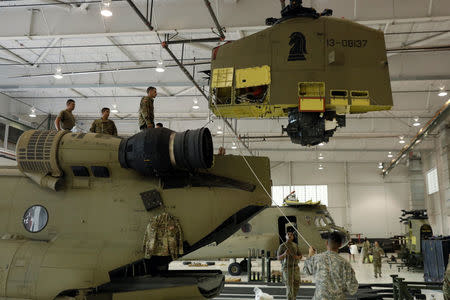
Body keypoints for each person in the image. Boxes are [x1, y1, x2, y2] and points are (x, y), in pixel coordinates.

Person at [304, 232, 358, 300]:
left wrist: (310, 255)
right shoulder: (345, 263)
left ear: (326, 243)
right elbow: (353, 289)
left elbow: (306, 271)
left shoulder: (316, 259)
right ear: (340, 245)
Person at [277, 227, 302, 300]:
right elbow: (278, 258)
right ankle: (290, 298)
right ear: (286, 237)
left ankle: (293, 297)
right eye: (288, 234)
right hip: (287, 268)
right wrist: (284, 254)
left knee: (297, 283)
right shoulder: (282, 246)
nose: (289, 235)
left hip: (295, 267)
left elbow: (300, 255)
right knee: (289, 286)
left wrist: (297, 257)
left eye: (291, 234)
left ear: (293, 237)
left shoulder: (295, 245)